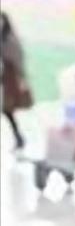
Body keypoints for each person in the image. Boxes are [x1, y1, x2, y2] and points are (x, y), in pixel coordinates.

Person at [1, 11, 32, 151]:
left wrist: (22, 78)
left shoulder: (10, 40)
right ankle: (18, 137)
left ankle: (19, 137)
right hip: (5, 73)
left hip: (10, 75)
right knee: (7, 110)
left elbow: (17, 59)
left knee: (8, 109)